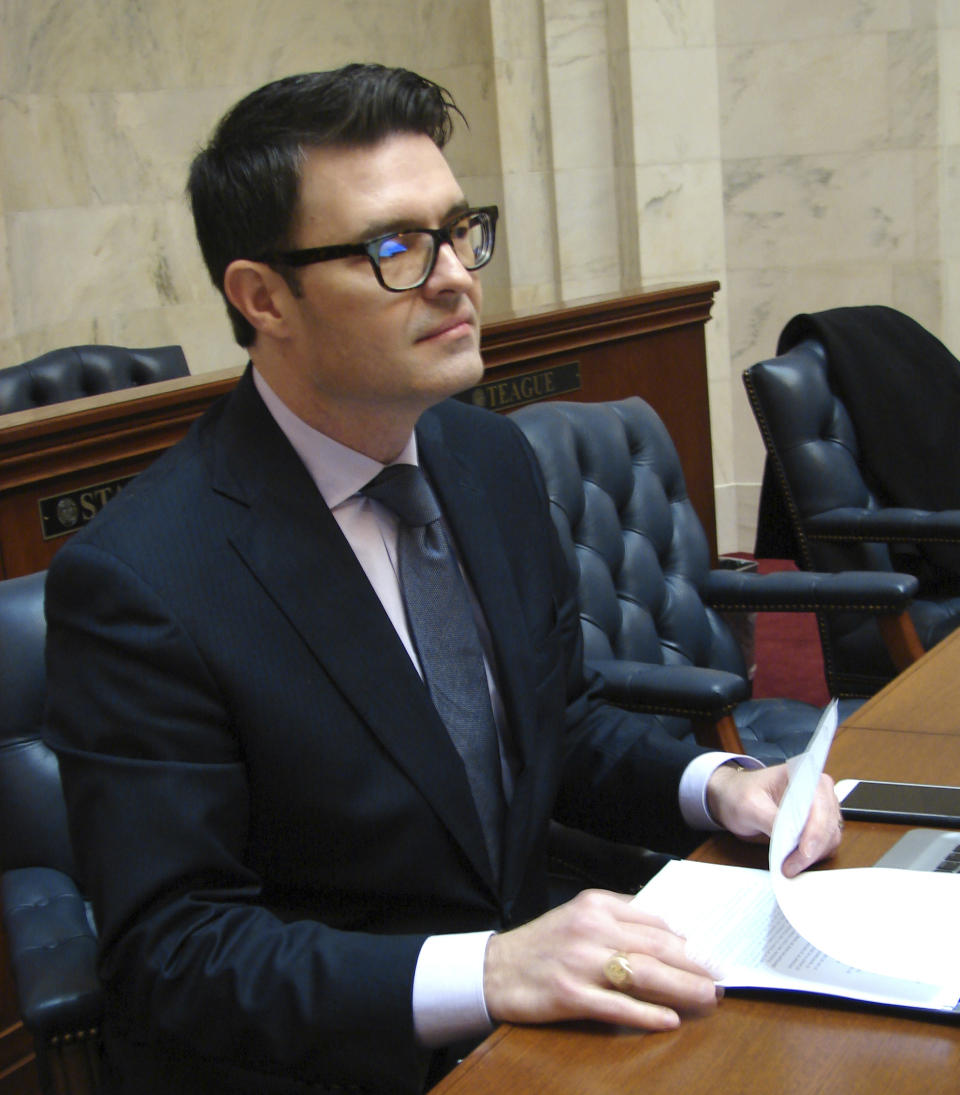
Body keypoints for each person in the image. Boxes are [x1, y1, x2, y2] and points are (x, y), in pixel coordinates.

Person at [43, 63, 842, 1095]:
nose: (456, 274)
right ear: (261, 297)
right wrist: (489, 968)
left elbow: (558, 724)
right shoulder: (142, 578)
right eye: (393, 248)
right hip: (330, 1061)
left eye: (459, 231)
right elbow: (175, 951)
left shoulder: (486, 462)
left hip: (541, 1029)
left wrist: (721, 787)